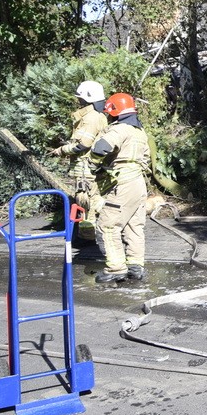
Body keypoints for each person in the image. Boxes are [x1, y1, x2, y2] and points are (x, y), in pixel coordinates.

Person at [88, 92, 151, 284]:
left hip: (122, 183)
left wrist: (93, 164)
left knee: (108, 225)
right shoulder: (140, 132)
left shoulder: (120, 130)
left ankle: (115, 268)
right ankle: (135, 266)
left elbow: (100, 148)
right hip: (138, 183)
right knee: (134, 226)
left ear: (114, 112)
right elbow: (147, 158)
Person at [50, 81, 109, 241]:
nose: (78, 101)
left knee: (87, 202)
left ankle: (88, 237)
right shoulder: (94, 116)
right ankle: (90, 234)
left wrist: (61, 150)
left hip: (85, 168)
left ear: (87, 99)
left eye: (80, 98)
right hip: (87, 167)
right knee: (89, 201)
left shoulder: (90, 118)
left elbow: (83, 144)